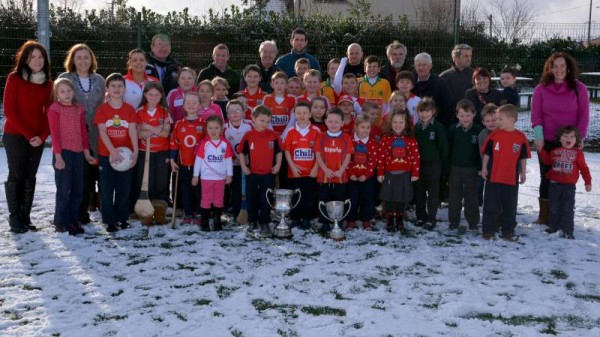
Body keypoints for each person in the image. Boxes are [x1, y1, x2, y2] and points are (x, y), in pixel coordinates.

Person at [531, 51, 589, 225]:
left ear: (568, 68)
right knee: (546, 177)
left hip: (569, 142)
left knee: (565, 178)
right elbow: (536, 115)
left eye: (562, 66)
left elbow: (584, 115)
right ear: (550, 68)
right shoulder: (541, 89)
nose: (559, 69)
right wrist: (539, 137)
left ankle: (563, 215)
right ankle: (545, 216)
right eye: (555, 66)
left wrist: (579, 138)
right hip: (547, 140)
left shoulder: (579, 89)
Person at [3, 40, 53, 233]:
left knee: (30, 175)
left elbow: (50, 112)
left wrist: (42, 136)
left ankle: (26, 217)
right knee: (16, 174)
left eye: (41, 57)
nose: (37, 60)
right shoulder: (14, 78)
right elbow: (9, 110)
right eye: (33, 57)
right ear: (25, 59)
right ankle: (14, 217)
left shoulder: (48, 84)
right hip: (15, 135)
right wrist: (29, 134)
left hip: (37, 138)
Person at [58, 43, 105, 225]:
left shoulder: (99, 80)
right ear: (73, 59)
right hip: (74, 136)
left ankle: (98, 206)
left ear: (92, 59)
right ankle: (80, 212)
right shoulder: (65, 78)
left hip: (97, 134)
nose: (83, 61)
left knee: (96, 173)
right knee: (80, 177)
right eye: (79, 57)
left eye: (87, 57)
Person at [48, 78, 96, 235]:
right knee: (64, 189)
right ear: (57, 93)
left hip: (78, 154)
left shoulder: (78, 108)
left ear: (73, 92)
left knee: (78, 189)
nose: (66, 94)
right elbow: (54, 134)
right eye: (62, 91)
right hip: (63, 153)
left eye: (69, 91)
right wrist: (58, 156)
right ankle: (61, 221)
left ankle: (74, 220)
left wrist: (86, 152)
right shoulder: (55, 109)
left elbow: (83, 131)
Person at [95, 73, 138, 232]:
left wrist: (135, 151)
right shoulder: (103, 110)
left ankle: (122, 218)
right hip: (107, 155)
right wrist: (112, 151)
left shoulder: (129, 109)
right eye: (113, 86)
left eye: (120, 85)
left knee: (124, 189)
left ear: (125, 89)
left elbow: (132, 130)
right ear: (107, 88)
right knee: (106, 189)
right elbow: (102, 132)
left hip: (126, 157)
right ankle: (109, 221)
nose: (117, 89)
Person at [481, 104, 530, 241]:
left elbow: (523, 157)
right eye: (497, 119)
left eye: (500, 119)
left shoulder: (521, 137)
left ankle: (508, 230)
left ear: (512, 120)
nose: (497, 122)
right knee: (490, 204)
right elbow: (487, 154)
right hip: (493, 177)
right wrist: (484, 168)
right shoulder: (494, 135)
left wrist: (523, 172)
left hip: (510, 179)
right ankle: (488, 230)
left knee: (510, 206)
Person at [538, 126, 592, 239]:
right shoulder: (554, 152)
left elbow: (584, 168)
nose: (569, 138)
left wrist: (588, 182)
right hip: (554, 185)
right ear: (560, 139)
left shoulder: (578, 153)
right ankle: (554, 227)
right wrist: (541, 150)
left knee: (567, 208)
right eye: (565, 136)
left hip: (569, 187)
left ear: (576, 139)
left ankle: (568, 230)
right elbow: (547, 161)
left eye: (572, 136)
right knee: (554, 207)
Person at [239, 105, 282, 235]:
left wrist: (278, 164)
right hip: (252, 173)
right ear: (253, 118)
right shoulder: (248, 135)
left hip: (268, 174)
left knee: (266, 199)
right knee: (251, 198)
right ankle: (252, 221)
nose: (265, 124)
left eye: (268, 121)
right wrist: (243, 166)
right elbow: (241, 152)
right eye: (262, 120)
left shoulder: (273, 135)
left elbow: (279, 152)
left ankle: (264, 222)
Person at [134, 82, 172, 226]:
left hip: (161, 152)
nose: (154, 97)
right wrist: (156, 129)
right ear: (145, 95)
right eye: (150, 94)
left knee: (161, 182)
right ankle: (146, 213)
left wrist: (148, 127)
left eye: (157, 94)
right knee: (145, 182)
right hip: (145, 153)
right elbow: (138, 134)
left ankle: (159, 212)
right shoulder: (139, 112)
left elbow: (165, 133)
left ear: (161, 95)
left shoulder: (164, 112)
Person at [377, 110, 420, 232]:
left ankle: (400, 218)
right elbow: (381, 157)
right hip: (389, 174)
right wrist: (380, 172)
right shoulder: (386, 139)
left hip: (405, 174)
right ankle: (390, 218)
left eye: (401, 122)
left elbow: (416, 158)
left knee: (402, 198)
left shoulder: (411, 140)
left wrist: (415, 173)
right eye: (395, 122)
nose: (398, 125)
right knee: (389, 198)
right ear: (390, 123)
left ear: (406, 124)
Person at [283, 101, 321, 230]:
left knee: (309, 196)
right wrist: (292, 167)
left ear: (310, 114)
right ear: (294, 114)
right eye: (298, 113)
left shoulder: (316, 131)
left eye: (305, 112)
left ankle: (306, 218)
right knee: (295, 195)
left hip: (311, 172)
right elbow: (287, 151)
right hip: (295, 172)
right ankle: (295, 218)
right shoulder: (290, 131)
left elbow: (319, 152)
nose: (302, 115)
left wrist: (316, 167)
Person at [315, 108, 354, 234]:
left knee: (339, 199)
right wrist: (325, 169)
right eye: (330, 121)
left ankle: (339, 222)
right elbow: (318, 155)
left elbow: (348, 156)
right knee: (324, 198)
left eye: (336, 122)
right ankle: (325, 222)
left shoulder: (346, 138)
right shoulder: (321, 136)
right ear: (325, 122)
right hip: (324, 175)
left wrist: (341, 171)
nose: (333, 124)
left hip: (340, 176)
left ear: (342, 123)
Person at [170, 92, 206, 225]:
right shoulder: (179, 124)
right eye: (188, 103)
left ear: (200, 105)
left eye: (194, 103)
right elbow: (174, 143)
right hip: (184, 164)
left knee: (199, 190)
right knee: (186, 190)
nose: (191, 105)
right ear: (184, 106)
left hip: (200, 165)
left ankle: (199, 213)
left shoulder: (204, 124)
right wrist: (173, 160)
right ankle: (188, 213)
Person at [192, 116, 234, 231]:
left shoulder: (225, 143)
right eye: (210, 128)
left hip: (220, 178)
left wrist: (229, 175)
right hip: (206, 178)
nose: (213, 131)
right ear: (206, 129)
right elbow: (198, 160)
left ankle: (217, 221)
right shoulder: (204, 143)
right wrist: (196, 175)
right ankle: (204, 222)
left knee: (219, 200)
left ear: (221, 129)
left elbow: (228, 160)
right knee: (206, 199)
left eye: (216, 128)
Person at [447, 99, 483, 230]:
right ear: (457, 115)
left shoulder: (478, 130)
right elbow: (448, 149)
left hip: (472, 169)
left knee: (471, 196)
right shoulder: (452, 130)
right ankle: (454, 220)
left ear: (474, 114)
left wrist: (479, 167)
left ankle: (473, 221)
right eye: (462, 115)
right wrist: (448, 168)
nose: (465, 118)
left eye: (468, 115)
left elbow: (481, 152)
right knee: (454, 196)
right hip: (455, 168)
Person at [414, 98, 448, 231]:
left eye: (427, 111)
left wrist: (442, 164)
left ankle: (431, 218)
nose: (424, 114)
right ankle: (421, 216)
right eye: (421, 111)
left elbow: (443, 147)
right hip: (419, 164)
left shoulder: (438, 127)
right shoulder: (416, 127)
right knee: (419, 191)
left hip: (434, 164)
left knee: (433, 192)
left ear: (433, 112)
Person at [347, 116, 378, 231]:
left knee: (367, 199)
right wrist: (350, 174)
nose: (365, 130)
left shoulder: (373, 143)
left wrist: (366, 175)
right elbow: (346, 159)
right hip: (352, 177)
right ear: (356, 127)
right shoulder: (350, 140)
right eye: (362, 127)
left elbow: (373, 161)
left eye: (368, 127)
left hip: (367, 177)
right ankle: (351, 219)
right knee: (352, 199)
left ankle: (366, 219)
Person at [223, 100, 253, 222]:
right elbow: (224, 146)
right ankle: (236, 212)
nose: (235, 113)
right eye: (231, 111)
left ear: (243, 113)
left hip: (248, 163)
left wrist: (248, 157)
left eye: (238, 110)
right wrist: (235, 158)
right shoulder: (225, 128)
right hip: (233, 163)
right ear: (227, 114)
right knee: (236, 188)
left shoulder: (249, 125)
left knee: (248, 188)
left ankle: (249, 211)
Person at [412, 53, 454, 127]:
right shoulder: (410, 82)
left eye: (424, 65)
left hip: (434, 126)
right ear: (415, 66)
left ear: (430, 66)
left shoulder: (440, 83)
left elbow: (448, 106)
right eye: (419, 65)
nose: (421, 67)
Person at [440, 44, 474, 111]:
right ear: (455, 57)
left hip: (471, 117)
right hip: (450, 118)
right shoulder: (444, 77)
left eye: (470, 56)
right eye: (466, 56)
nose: (469, 59)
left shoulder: (476, 75)